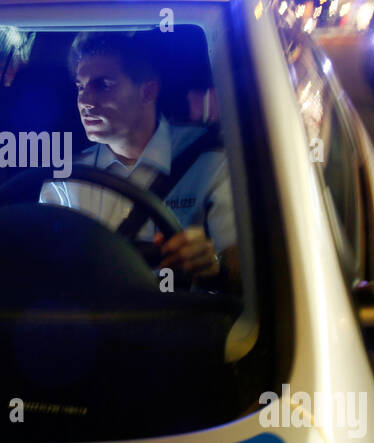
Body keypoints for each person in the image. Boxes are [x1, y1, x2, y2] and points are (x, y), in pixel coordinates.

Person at [40, 31, 237, 288]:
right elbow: (46, 269)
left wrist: (213, 263)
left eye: (103, 85)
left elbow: (245, 267)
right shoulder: (65, 180)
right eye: (80, 86)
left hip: (185, 321)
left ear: (147, 92)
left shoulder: (209, 161)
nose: (84, 101)